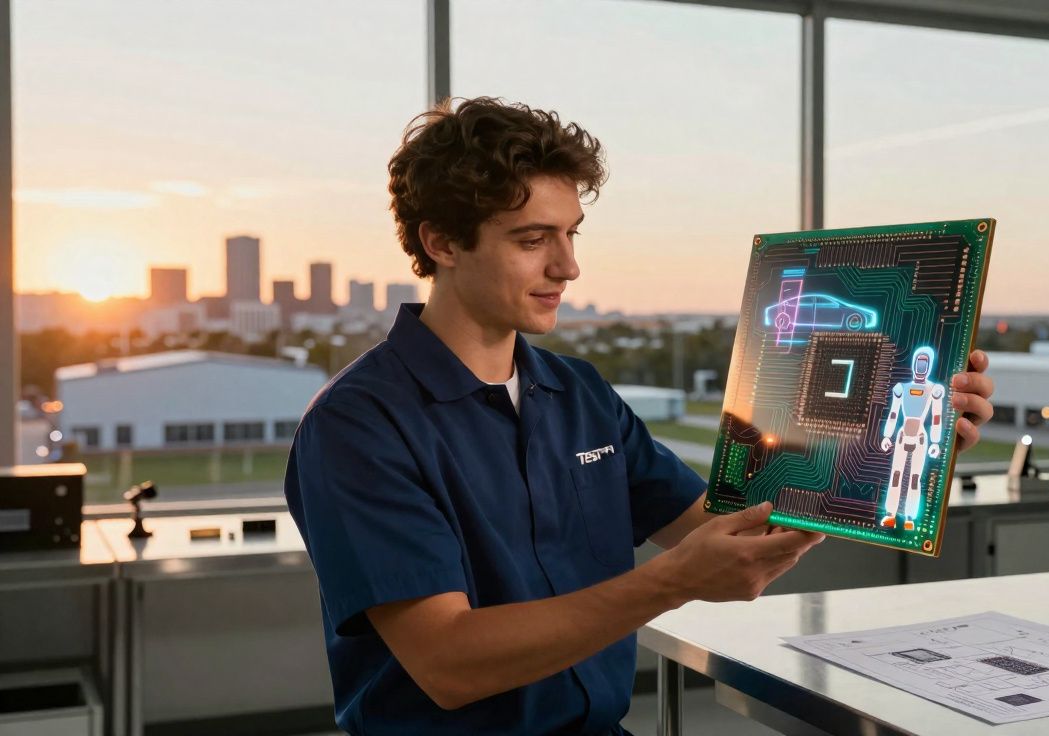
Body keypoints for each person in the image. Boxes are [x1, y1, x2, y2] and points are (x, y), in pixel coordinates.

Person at [283, 97, 997, 735]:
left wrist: (902, 452)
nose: (568, 268)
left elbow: (734, 534)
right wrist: (671, 581)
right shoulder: (358, 426)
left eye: (572, 235)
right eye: (533, 240)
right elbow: (450, 664)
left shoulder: (579, 395)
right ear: (441, 242)